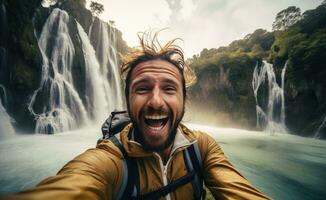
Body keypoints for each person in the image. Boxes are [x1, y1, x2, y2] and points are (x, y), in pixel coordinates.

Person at [1, 32, 271, 200]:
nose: (155, 101)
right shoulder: (109, 161)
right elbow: (76, 183)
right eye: (142, 89)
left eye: (169, 89)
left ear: (184, 100)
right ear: (128, 99)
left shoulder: (202, 147)